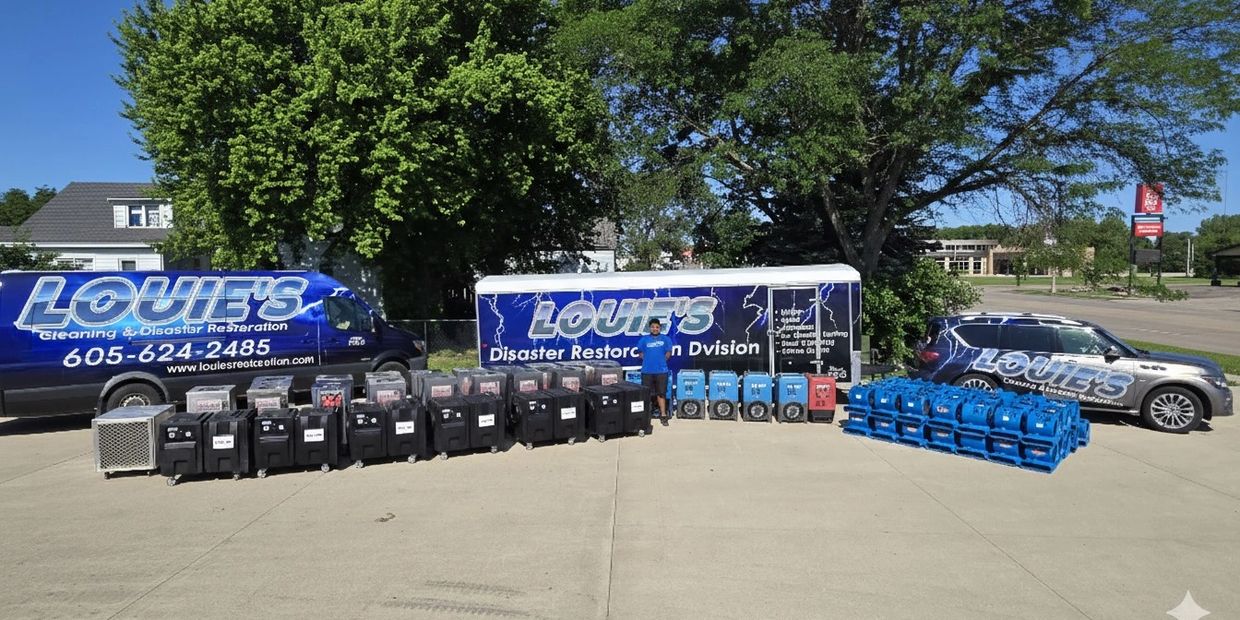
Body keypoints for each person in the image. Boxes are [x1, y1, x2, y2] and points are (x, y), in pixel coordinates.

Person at [636, 318, 674, 426]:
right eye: (653, 327)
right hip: (647, 371)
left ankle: (663, 415)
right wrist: (648, 361)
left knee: (661, 394)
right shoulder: (644, 340)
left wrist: (661, 361)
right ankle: (645, 416)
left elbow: (668, 353)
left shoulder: (666, 339)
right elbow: (640, 353)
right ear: (650, 328)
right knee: (646, 394)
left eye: (657, 327)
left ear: (660, 328)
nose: (655, 329)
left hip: (661, 371)